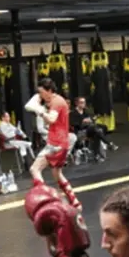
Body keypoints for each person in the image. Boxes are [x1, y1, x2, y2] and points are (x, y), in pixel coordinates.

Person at [28, 78, 81, 210]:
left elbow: (51, 119)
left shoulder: (56, 102)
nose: (41, 96)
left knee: (35, 169)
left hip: (55, 143)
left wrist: (39, 110)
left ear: (49, 90)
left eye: (42, 92)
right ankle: (74, 202)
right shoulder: (55, 101)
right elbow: (50, 122)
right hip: (61, 143)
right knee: (57, 174)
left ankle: (44, 202)